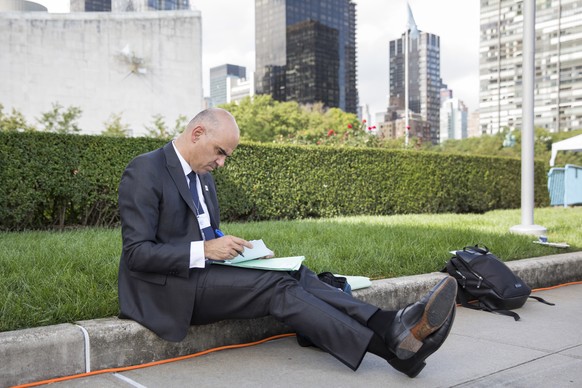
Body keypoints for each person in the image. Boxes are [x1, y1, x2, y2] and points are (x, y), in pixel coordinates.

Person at [117, 107, 457, 378]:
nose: (221, 163)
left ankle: (388, 323)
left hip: (206, 273)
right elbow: (137, 254)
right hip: (167, 290)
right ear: (197, 133)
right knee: (276, 287)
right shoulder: (145, 170)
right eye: (220, 152)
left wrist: (236, 247)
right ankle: (392, 351)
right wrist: (204, 249)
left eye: (226, 156)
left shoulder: (203, 178)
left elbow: (204, 231)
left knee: (295, 272)